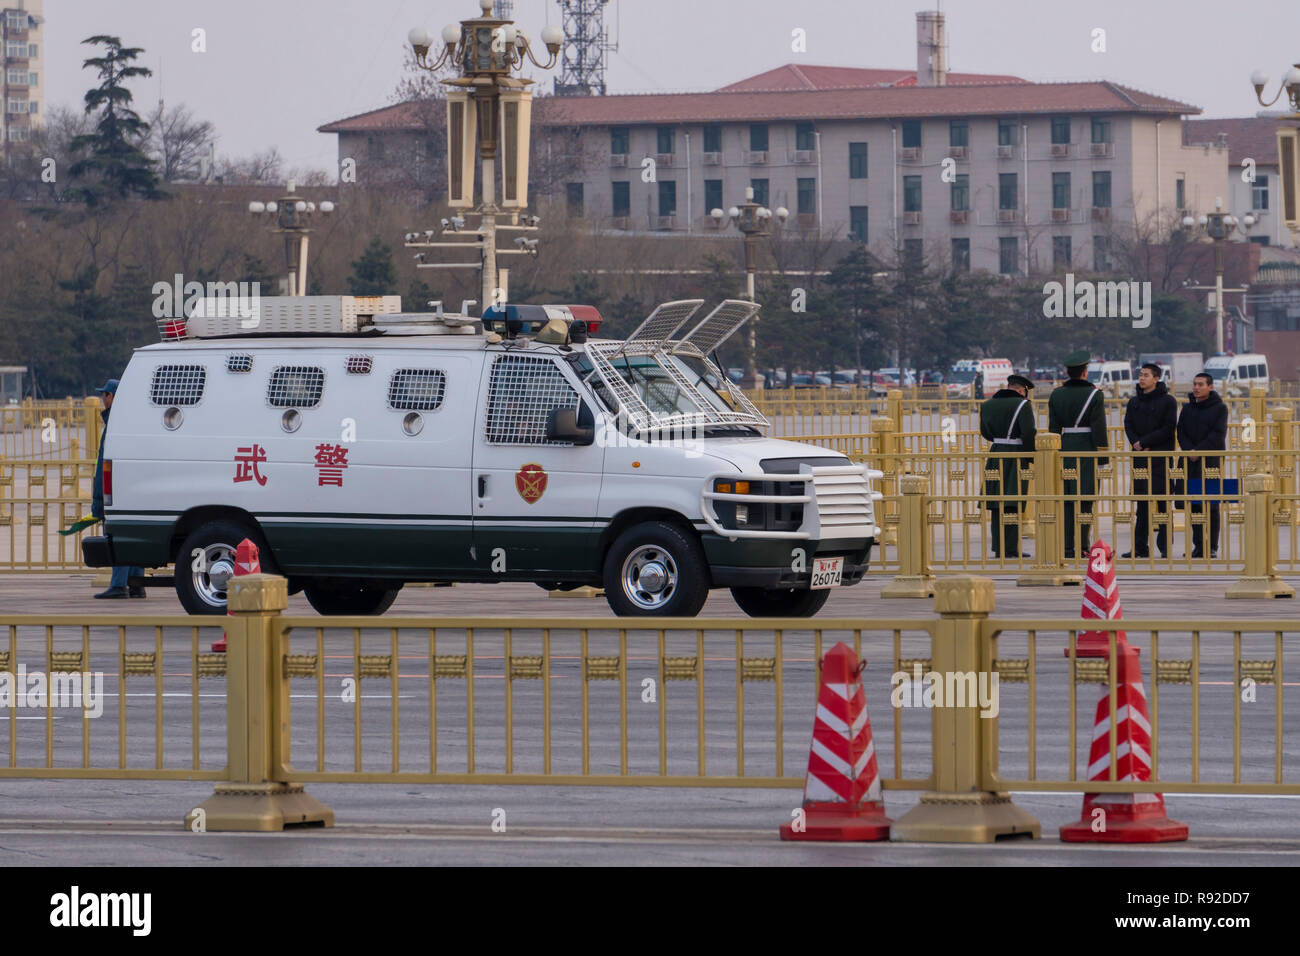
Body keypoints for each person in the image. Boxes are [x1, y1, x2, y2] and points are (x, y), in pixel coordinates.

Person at [1049, 350, 1107, 558]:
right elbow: (1099, 428)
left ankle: (1066, 546)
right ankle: (1082, 544)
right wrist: (1102, 457)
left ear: (1068, 372)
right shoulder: (1094, 394)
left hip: (1064, 448)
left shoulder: (1056, 394)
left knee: (1066, 499)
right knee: (1085, 499)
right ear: (1085, 372)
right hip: (1087, 449)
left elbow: (1053, 428)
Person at [91, 379, 144, 599]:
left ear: (111, 396)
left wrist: (98, 499)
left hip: (117, 488)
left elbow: (105, 462)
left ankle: (119, 585)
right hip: (133, 487)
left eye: (104, 395)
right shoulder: (133, 419)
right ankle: (136, 584)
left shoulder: (115, 423)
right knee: (134, 537)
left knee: (117, 536)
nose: (102, 399)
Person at [1122, 363, 1178, 559]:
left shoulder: (1168, 401)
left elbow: (1168, 428)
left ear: (1156, 378)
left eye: (1146, 375)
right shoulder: (1134, 402)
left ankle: (1165, 546)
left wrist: (1145, 442)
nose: (1142, 378)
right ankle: (1140, 547)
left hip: (1160, 457)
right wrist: (1136, 443)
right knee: (1142, 504)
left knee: (1163, 503)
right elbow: (1128, 424)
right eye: (1140, 375)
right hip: (1140, 458)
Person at [979, 373, 1036, 559]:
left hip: (996, 453)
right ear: (1021, 390)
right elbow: (1028, 432)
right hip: (1015, 455)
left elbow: (985, 432)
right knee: (1012, 501)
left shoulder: (987, 405)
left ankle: (999, 547)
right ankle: (1011, 548)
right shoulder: (1022, 405)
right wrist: (1031, 456)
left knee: (997, 503)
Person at [1177, 371, 1228, 559]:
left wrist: (1198, 451)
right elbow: (1181, 431)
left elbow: (1217, 434)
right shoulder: (1188, 408)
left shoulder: (1220, 408)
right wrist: (1189, 450)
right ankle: (1198, 545)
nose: (1196, 388)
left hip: (1211, 461)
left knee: (1211, 504)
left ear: (1210, 387)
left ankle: (1212, 546)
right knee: (1194, 504)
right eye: (1195, 384)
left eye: (1201, 385)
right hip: (1190, 461)